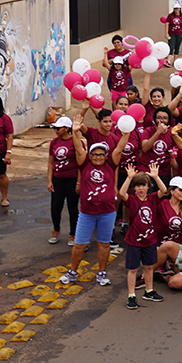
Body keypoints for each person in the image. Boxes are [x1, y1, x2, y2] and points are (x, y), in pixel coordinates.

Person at [60, 117, 128, 287]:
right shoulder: (84, 164)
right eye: (95, 154)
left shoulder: (111, 165)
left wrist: (126, 133)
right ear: (89, 155)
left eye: (101, 154)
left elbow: (119, 149)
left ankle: (102, 273)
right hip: (87, 213)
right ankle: (73, 272)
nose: (98, 157)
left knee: (104, 245)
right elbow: (77, 148)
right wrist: (75, 131)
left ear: (106, 156)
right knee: (79, 245)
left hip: (107, 212)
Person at [118, 163, 168, 310]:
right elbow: (121, 193)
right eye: (137, 186)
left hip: (150, 240)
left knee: (149, 267)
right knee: (133, 269)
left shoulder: (152, 199)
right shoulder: (132, 201)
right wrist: (129, 178)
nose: (140, 189)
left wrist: (156, 176)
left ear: (148, 187)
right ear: (134, 188)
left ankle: (149, 290)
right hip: (134, 241)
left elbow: (164, 190)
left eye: (143, 186)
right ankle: (131, 295)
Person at [47, 116, 79, 246]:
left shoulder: (76, 142)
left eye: (58, 128)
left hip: (72, 178)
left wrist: (79, 182)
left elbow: (80, 163)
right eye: (55, 128)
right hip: (58, 179)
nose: (56, 130)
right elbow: (50, 163)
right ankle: (56, 230)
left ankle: (73, 233)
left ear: (67, 129)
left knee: (72, 207)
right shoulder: (54, 143)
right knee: (55, 206)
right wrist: (49, 180)